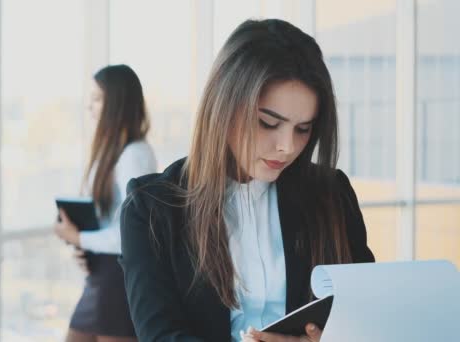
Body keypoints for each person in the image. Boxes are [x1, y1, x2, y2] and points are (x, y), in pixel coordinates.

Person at [119, 19, 375, 342]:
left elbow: (367, 319)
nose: (288, 146)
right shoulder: (150, 209)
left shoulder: (332, 194)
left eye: (303, 129)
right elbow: (160, 336)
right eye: (268, 123)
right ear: (223, 108)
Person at [54, 64, 157, 342]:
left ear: (117, 103)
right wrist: (83, 243)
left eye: (98, 99)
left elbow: (132, 232)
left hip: (120, 278)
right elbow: (111, 222)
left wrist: (80, 237)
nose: (90, 107)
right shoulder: (112, 154)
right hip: (104, 274)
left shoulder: (135, 155)